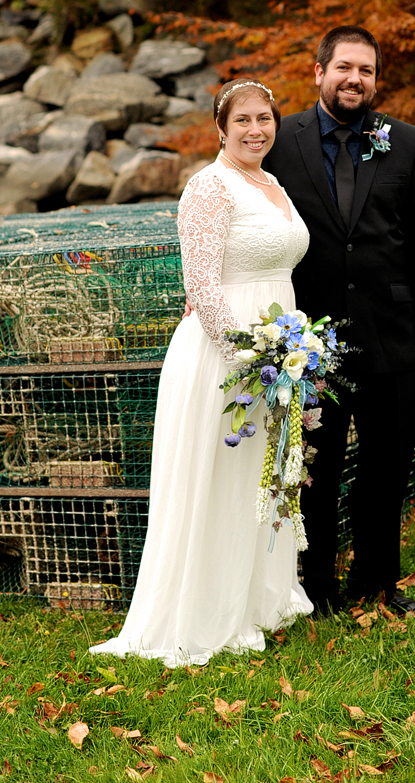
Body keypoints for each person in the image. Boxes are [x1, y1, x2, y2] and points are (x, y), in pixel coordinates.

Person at [89, 79, 313, 666]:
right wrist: (246, 352)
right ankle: (205, 611)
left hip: (274, 355)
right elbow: (203, 287)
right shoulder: (209, 187)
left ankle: (256, 599)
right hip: (225, 356)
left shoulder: (271, 184)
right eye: (242, 120)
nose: (255, 130)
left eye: (264, 119)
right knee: (218, 478)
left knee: (257, 475)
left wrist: (290, 351)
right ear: (221, 127)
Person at [268, 26, 415, 616]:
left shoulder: (406, 141)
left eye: (366, 71)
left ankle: (376, 580)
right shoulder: (280, 140)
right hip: (309, 340)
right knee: (315, 467)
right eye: (344, 67)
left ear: (376, 80)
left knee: (386, 465)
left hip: (392, 334)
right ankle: (315, 587)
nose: (355, 79)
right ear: (318, 71)